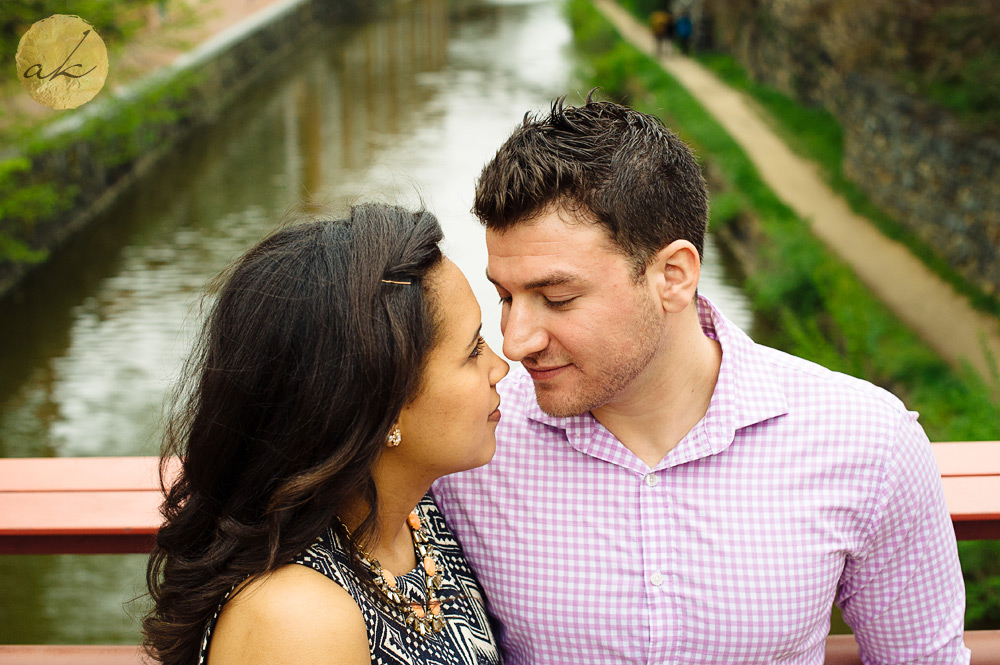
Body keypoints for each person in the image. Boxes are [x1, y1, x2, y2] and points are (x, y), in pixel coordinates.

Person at [432, 97, 971, 664]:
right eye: (505, 296)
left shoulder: (869, 442)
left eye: (558, 298)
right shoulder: (469, 443)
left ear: (673, 276)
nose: (516, 341)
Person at [142, 204, 509, 665]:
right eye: (473, 350)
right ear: (384, 402)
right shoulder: (298, 623)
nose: (501, 366)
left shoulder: (414, 517)